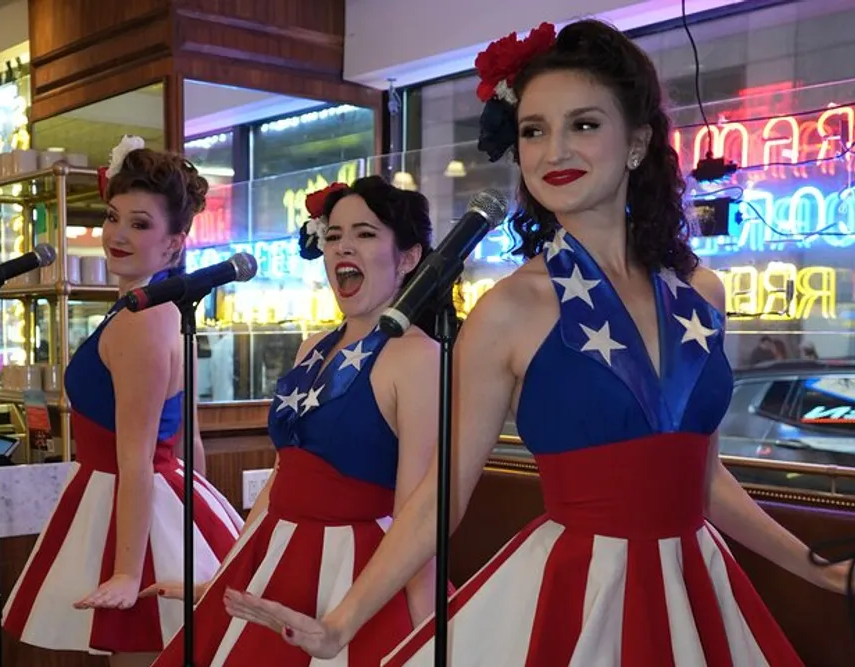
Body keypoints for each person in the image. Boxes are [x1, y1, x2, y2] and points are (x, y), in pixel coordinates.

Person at [222, 20, 852, 666]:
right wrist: (341, 621)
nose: (554, 151)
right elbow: (441, 496)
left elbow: (706, 481)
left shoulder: (703, 294)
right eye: (533, 130)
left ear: (637, 142)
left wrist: (820, 570)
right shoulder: (507, 312)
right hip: (576, 597)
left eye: (582, 124)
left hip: (696, 589)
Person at [144, 176, 446, 667]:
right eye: (333, 235)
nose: (343, 245)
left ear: (408, 257)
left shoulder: (420, 358)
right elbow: (283, 477)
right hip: (277, 558)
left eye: (365, 234)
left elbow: (419, 515)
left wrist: (428, 633)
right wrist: (225, 575)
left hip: (357, 569)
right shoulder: (313, 346)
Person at [2, 136, 243, 667]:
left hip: (133, 505)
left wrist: (128, 572)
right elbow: (190, 443)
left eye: (140, 224)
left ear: (174, 244)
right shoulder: (153, 310)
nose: (118, 234)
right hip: (155, 500)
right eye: (113, 218)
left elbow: (138, 459)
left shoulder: (141, 322)